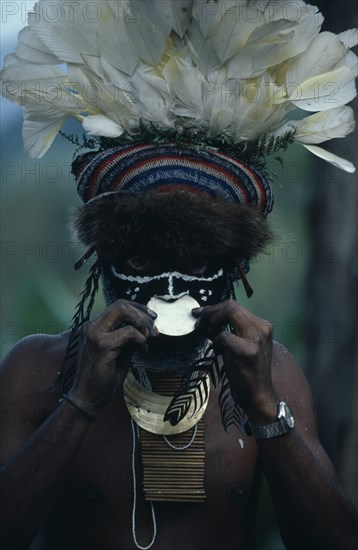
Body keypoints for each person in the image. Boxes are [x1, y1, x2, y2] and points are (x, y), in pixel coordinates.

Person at [1, 2, 357, 550]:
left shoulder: (269, 376)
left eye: (196, 265)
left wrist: (266, 413)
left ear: (236, 269)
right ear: (104, 261)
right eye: (142, 263)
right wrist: (79, 402)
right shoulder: (37, 372)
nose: (171, 290)